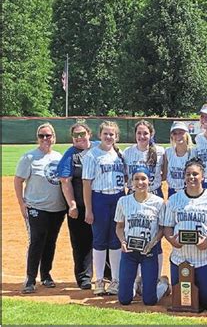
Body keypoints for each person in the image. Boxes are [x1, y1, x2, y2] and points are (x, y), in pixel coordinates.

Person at [162, 157, 207, 310]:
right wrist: (172, 240)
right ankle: (163, 284)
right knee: (182, 302)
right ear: (184, 176)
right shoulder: (174, 199)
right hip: (180, 258)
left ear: (202, 176)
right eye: (188, 174)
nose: (191, 177)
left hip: (206, 258)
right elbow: (167, 227)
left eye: (195, 174)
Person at [14, 123, 66, 293]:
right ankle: (30, 278)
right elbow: (18, 180)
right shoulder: (29, 157)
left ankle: (45, 274)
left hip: (57, 208)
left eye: (48, 135)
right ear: (37, 138)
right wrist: (22, 203)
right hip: (36, 206)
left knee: (50, 241)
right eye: (42, 136)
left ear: (54, 138)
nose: (45, 139)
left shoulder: (59, 157)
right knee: (37, 240)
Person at [82, 121, 126, 296]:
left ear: (116, 137)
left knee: (116, 239)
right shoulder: (92, 155)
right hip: (99, 197)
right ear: (99, 135)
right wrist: (88, 209)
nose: (109, 137)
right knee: (100, 240)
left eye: (112, 134)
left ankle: (115, 280)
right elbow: (86, 183)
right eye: (106, 134)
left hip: (118, 197)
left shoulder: (120, 154)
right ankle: (99, 280)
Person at [123, 120, 166, 291]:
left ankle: (153, 278)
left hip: (154, 195)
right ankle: (134, 280)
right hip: (133, 196)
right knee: (133, 234)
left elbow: (164, 175)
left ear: (151, 134)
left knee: (156, 239)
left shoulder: (161, 152)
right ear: (135, 134)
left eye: (145, 133)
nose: (142, 136)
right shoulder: (128, 152)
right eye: (139, 133)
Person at [115, 166, 166, 306]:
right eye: (136, 179)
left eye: (143, 178)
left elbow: (162, 229)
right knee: (124, 300)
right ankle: (135, 284)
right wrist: (123, 241)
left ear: (149, 181)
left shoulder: (158, 202)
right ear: (131, 182)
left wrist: (153, 242)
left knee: (149, 301)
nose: (140, 182)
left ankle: (163, 285)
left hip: (149, 252)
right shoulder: (123, 201)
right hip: (129, 252)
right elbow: (119, 227)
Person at [57, 122, 96, 290]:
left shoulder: (98, 149)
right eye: (76, 135)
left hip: (100, 204)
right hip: (79, 206)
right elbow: (65, 181)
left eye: (82, 134)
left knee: (106, 240)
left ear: (89, 134)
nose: (79, 138)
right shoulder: (70, 155)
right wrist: (72, 204)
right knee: (82, 243)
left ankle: (108, 274)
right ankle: (84, 277)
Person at [162, 121, 195, 198]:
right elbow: (165, 174)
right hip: (172, 191)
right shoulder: (168, 152)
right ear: (171, 136)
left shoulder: (193, 152)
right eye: (175, 133)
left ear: (186, 134)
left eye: (181, 132)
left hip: (189, 191)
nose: (178, 135)